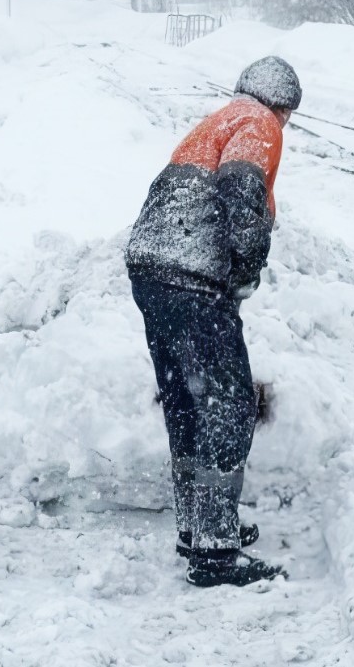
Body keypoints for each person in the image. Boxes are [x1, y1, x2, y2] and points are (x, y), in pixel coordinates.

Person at [124, 56, 302, 588]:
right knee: (229, 403)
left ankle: (196, 526)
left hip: (150, 269)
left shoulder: (215, 122)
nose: (285, 124)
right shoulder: (259, 122)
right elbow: (242, 190)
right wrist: (245, 269)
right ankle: (215, 552)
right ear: (282, 105)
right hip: (193, 277)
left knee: (185, 398)